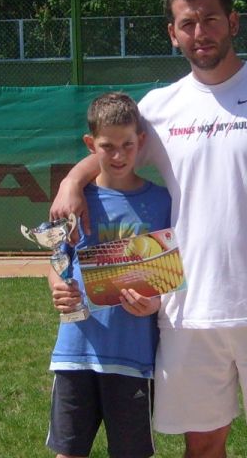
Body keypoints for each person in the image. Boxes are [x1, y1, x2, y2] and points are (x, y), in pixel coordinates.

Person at [50, 0, 247, 458]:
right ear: (172, 33)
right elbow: (112, 150)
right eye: (188, 23)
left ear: (233, 23)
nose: (200, 32)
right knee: (201, 447)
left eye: (210, 19)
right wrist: (71, 182)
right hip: (186, 311)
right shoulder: (160, 107)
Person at [45, 91, 170, 458]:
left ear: (141, 141)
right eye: (107, 146)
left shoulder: (162, 202)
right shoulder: (75, 200)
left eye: (127, 145)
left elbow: (170, 273)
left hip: (133, 356)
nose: (118, 156)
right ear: (90, 145)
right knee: (68, 452)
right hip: (75, 351)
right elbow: (57, 259)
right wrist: (58, 286)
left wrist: (155, 302)